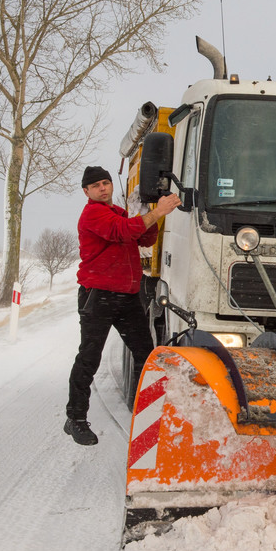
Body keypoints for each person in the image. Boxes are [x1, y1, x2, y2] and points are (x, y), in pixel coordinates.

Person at [64, 165, 181, 445]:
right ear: (86, 192)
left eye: (106, 183)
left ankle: (151, 414)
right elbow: (122, 232)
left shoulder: (118, 212)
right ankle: (76, 419)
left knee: (146, 354)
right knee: (89, 357)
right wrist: (157, 213)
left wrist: (151, 215)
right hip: (98, 295)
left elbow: (144, 237)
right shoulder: (93, 214)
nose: (103, 188)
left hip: (126, 295)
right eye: (96, 186)